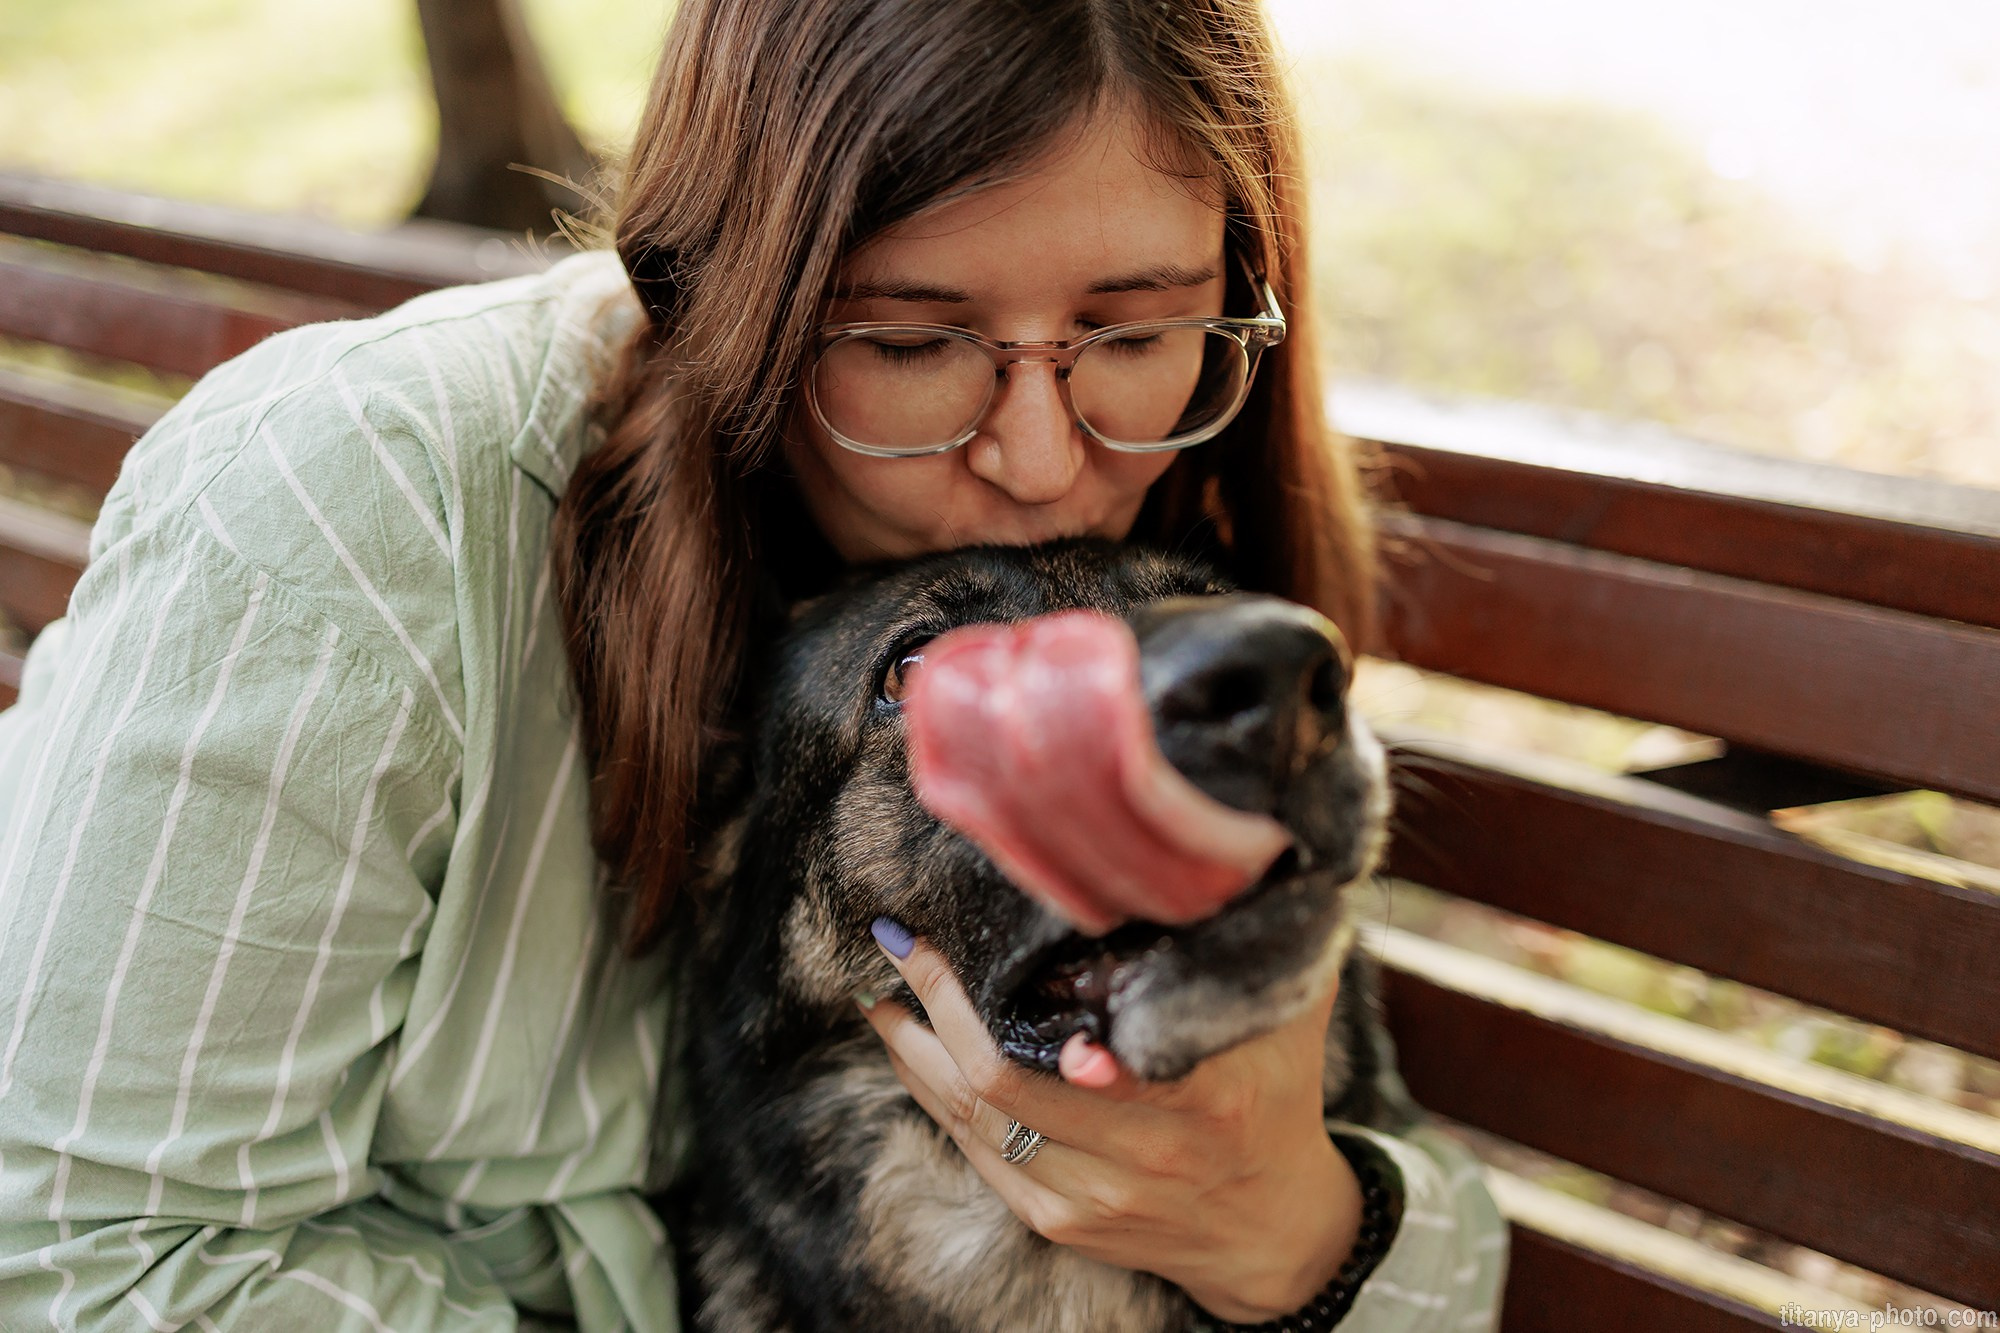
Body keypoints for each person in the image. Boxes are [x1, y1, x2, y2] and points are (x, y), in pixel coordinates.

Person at [0, 0, 1507, 1328]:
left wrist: (1300, 1232)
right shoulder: (358, 504)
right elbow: (88, 1253)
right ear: (725, 286)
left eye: (1136, 326)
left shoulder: (1168, 550)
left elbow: (1426, 1234)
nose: (1047, 464)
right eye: (913, 341)